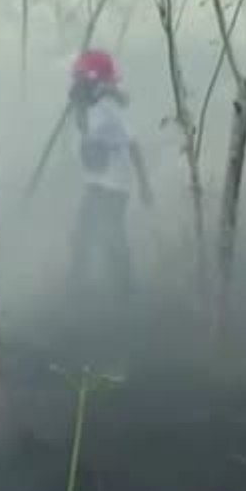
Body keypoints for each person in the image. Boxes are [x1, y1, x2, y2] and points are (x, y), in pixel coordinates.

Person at [67, 49, 151, 302]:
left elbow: (134, 145)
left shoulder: (107, 111)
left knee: (110, 234)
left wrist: (145, 186)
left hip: (114, 185)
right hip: (96, 182)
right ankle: (81, 289)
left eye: (81, 80)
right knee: (83, 235)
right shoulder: (85, 108)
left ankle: (124, 291)